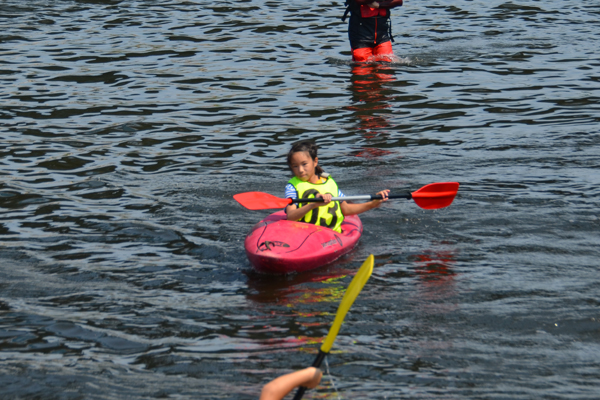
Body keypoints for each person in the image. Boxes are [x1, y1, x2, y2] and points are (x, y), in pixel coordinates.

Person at [285, 140, 389, 233]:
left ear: (315, 162)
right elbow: (290, 216)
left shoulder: (330, 182)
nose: (300, 170)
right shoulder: (292, 187)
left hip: (332, 235)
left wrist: (372, 204)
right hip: (304, 234)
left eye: (304, 164)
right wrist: (313, 204)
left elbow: (345, 209)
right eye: (295, 166)